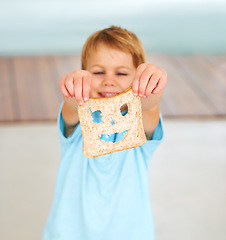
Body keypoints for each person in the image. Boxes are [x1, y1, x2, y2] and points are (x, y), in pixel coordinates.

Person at [42, 26, 167, 240]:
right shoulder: (78, 122)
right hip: (70, 232)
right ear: (84, 75)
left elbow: (149, 108)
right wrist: (73, 94)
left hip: (129, 233)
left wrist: (152, 89)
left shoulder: (139, 123)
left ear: (137, 78)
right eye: (98, 72)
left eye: (121, 73)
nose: (109, 81)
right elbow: (72, 108)